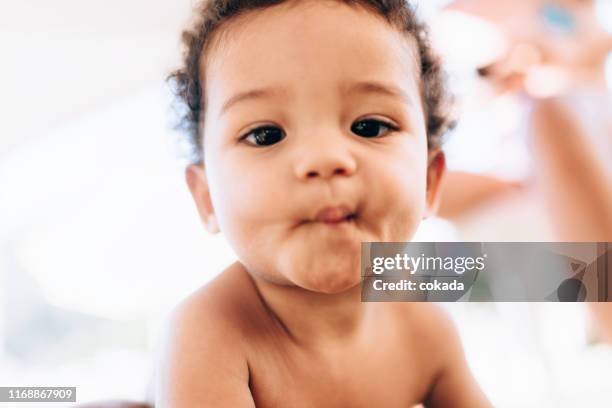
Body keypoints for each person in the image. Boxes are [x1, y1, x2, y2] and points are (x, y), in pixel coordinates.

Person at [155, 0, 491, 406]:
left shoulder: (425, 328)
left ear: (429, 182)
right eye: (266, 134)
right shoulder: (210, 334)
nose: (324, 158)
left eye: (369, 127)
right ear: (206, 197)